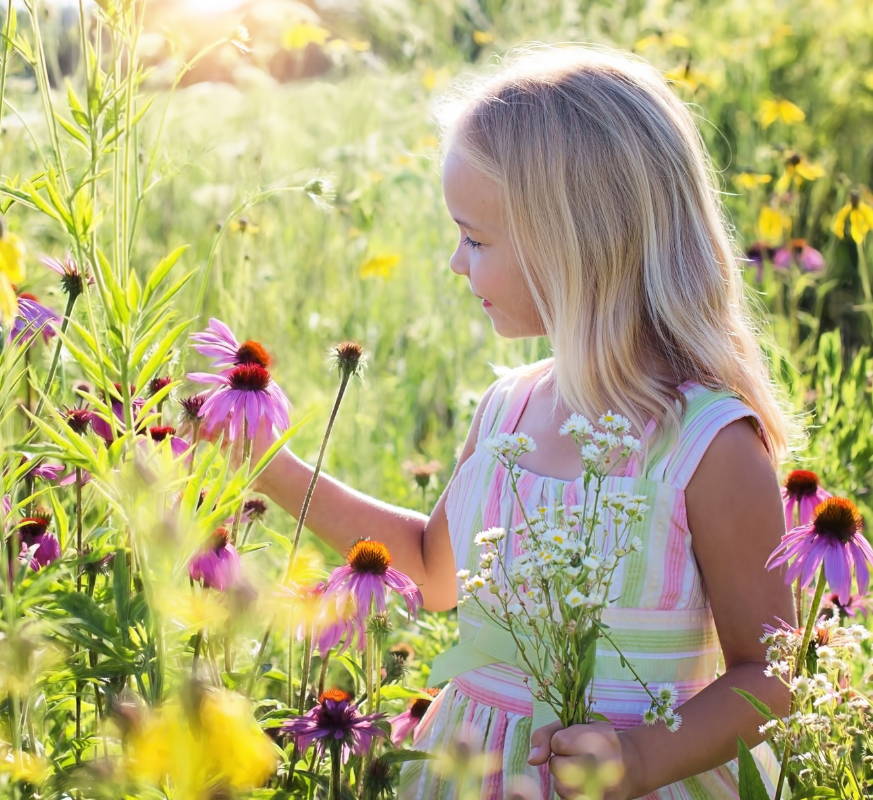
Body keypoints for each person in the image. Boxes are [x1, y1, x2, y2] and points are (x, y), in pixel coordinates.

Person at [250, 44, 797, 799]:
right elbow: (434, 572)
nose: (454, 262)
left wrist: (641, 761)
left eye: (475, 239)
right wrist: (270, 467)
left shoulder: (707, 445)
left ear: (575, 249)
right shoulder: (508, 408)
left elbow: (768, 680)